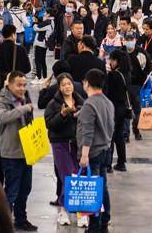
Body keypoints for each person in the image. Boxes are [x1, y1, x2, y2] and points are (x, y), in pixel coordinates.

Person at [0, 71, 37, 232]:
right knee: (11, 191)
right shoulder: (1, 100)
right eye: (19, 85)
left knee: (25, 189)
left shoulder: (25, 98)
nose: (22, 88)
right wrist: (24, 109)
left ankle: (21, 219)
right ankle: (4, 223)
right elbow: (2, 118)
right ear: (10, 84)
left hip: (27, 151)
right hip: (11, 152)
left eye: (25, 85)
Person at [44, 72, 85, 227]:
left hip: (77, 143)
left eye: (69, 84)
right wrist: (62, 114)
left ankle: (80, 213)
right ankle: (63, 211)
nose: (67, 87)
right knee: (67, 176)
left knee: (78, 177)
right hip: (60, 144)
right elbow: (50, 124)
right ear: (59, 87)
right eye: (63, 85)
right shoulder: (53, 104)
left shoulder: (80, 101)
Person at [77, 68, 115, 233]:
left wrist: (84, 155)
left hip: (92, 154)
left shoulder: (89, 104)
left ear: (87, 83)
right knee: (102, 188)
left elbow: (88, 133)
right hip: (105, 150)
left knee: (92, 191)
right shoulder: (107, 102)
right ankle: (104, 223)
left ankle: (94, 226)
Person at [105, 50, 131, 172]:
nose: (110, 62)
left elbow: (108, 92)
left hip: (113, 108)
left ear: (115, 61)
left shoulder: (113, 75)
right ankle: (121, 163)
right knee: (119, 136)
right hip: (123, 108)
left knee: (110, 136)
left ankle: (108, 164)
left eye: (111, 60)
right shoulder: (127, 74)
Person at [125, 30, 152, 141]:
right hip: (124, 86)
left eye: (131, 39)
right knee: (126, 110)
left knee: (137, 110)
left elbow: (150, 67)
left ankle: (136, 130)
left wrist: (146, 77)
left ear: (135, 40)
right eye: (127, 39)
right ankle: (125, 134)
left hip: (137, 85)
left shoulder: (141, 52)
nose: (129, 41)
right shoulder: (121, 52)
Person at [33, 9, 54, 80]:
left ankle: (39, 77)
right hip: (44, 43)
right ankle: (44, 76)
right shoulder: (52, 21)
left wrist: (35, 23)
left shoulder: (47, 22)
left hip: (40, 43)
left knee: (38, 60)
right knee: (42, 60)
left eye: (45, 13)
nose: (44, 14)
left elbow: (36, 28)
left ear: (48, 14)